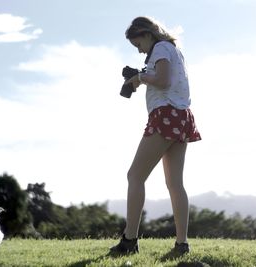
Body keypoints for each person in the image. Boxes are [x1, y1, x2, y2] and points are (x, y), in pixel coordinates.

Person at [110, 16, 201, 255]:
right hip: (181, 117)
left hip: (165, 115)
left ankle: (129, 241)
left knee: (135, 176)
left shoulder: (160, 47)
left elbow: (162, 80)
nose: (139, 51)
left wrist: (140, 77)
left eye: (138, 44)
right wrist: (143, 76)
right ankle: (182, 245)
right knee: (175, 184)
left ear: (147, 34)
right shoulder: (173, 50)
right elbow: (165, 79)